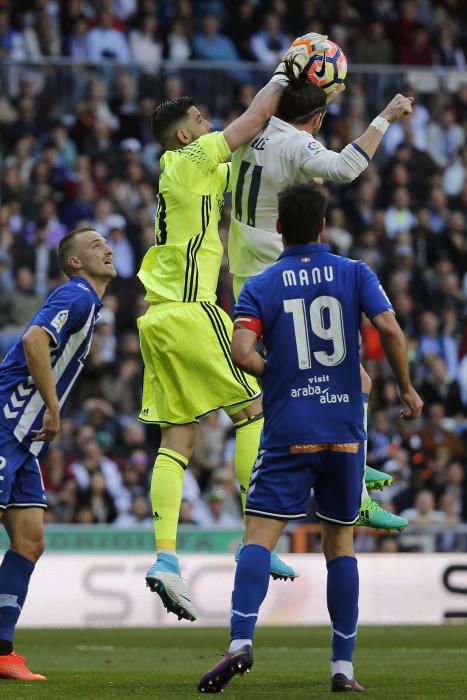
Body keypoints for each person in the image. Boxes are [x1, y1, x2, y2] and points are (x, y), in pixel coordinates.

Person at [198, 182, 423, 694]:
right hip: (345, 429)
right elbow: (389, 328)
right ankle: (342, 668)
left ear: (279, 228)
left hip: (288, 430)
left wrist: (276, 370)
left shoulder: (262, 283)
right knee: (340, 542)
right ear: (323, 226)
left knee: (258, 538)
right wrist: (406, 388)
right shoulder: (354, 272)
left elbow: (240, 351)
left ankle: (240, 642)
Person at [137, 34, 332, 623]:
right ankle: (258, 531)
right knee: (253, 408)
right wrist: (284, 70)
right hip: (193, 310)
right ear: (184, 135)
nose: (209, 122)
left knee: (179, 440)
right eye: (200, 119)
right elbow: (253, 120)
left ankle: (165, 559)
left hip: (157, 317)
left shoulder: (186, 172)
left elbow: (247, 160)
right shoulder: (193, 157)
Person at [228, 62, 415, 531]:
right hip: (284, 279)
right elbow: (347, 168)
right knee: (357, 382)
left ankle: (354, 471)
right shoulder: (296, 143)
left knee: (349, 381)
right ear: (316, 120)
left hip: (249, 275)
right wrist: (386, 117)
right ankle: (354, 494)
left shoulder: (251, 125)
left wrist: (285, 67)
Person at [0, 227, 116, 680]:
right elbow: (33, 341)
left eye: (106, 243)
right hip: (6, 425)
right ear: (74, 263)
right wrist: (53, 407)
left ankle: (3, 652)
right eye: (94, 245)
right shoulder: (77, 295)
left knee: (29, 541)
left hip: (23, 441)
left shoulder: (90, 304)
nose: (106, 248)